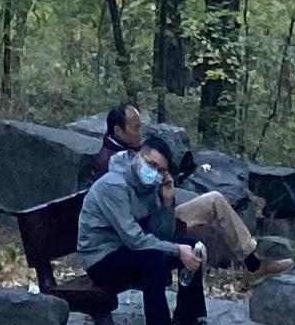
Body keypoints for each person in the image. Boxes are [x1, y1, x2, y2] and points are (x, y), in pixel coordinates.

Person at [102, 104, 247, 313]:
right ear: (118, 130)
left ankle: (193, 318)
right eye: (135, 128)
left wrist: (167, 199)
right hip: (133, 233)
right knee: (196, 230)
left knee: (202, 227)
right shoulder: (110, 164)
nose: (140, 134)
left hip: (153, 218)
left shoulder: (133, 154)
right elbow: (131, 223)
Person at [77, 133, 210, 325]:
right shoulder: (113, 185)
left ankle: (188, 322)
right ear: (139, 157)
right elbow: (136, 240)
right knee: (155, 259)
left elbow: (161, 234)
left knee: (193, 246)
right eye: (151, 164)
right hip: (102, 257)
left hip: (128, 250)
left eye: (161, 170)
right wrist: (177, 251)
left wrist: (167, 201)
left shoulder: (149, 188)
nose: (155, 173)